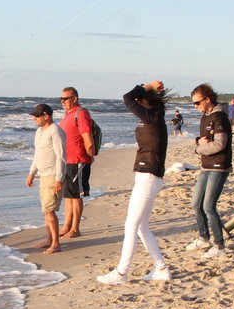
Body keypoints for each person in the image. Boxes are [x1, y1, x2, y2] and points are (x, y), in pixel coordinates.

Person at [97, 80, 170, 285]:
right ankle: (161, 268)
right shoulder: (152, 116)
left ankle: (121, 272)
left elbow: (127, 98)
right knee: (141, 227)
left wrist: (148, 85)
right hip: (147, 175)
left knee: (131, 225)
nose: (136, 101)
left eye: (140, 98)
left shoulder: (153, 116)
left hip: (148, 176)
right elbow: (132, 98)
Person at [186, 84, 232, 258]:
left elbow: (220, 143)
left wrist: (198, 149)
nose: (195, 107)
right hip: (206, 165)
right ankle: (203, 237)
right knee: (196, 204)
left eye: (197, 103)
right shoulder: (205, 116)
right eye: (193, 104)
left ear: (208, 99)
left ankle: (219, 246)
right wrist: (199, 143)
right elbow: (204, 140)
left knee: (208, 206)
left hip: (219, 166)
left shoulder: (219, 116)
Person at [26, 104, 66, 254]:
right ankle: (49, 239)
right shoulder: (39, 132)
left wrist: (59, 178)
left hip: (53, 175)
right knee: (46, 210)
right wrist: (32, 173)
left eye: (36, 116)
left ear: (46, 116)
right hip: (43, 175)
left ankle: (56, 243)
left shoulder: (55, 131)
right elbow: (38, 154)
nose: (34, 119)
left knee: (50, 210)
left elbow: (61, 156)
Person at [58, 87, 94, 238]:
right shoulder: (68, 115)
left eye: (65, 99)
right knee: (68, 195)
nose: (62, 102)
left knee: (76, 196)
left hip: (78, 160)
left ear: (74, 98)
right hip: (67, 161)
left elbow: (88, 140)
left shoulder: (81, 113)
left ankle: (75, 228)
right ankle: (67, 225)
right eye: (61, 99)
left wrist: (89, 157)